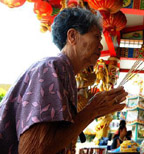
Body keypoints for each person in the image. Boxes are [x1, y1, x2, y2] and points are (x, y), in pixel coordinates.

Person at [0, 8, 128, 154]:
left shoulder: (65, 73)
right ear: (72, 36)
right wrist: (93, 110)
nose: (100, 46)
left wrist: (94, 111)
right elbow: (35, 149)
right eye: (96, 37)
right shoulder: (52, 68)